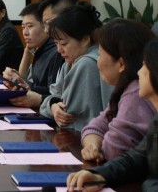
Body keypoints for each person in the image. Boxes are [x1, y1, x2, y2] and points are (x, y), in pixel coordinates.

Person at [67, 39, 158, 191]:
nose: (139, 72)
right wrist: (100, 175)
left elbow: (114, 150)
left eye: (145, 66)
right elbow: (136, 159)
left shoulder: (133, 94)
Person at [80, 19, 156, 162]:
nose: (97, 61)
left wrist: (98, 149)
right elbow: (96, 126)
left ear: (121, 64)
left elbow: (113, 151)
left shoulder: (136, 95)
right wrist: (92, 146)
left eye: (100, 54)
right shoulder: (128, 89)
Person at [39, 2, 113, 131]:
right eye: (56, 43)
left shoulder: (86, 63)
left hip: (85, 137)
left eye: (63, 43)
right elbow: (54, 96)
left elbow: (67, 113)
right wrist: (53, 106)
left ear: (85, 39)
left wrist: (53, 108)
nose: (59, 50)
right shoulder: (70, 62)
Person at [3, 1, 64, 108]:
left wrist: (20, 82)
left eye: (30, 26)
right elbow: (26, 79)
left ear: (45, 26)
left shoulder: (57, 52)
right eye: (23, 27)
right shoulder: (41, 48)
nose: (25, 32)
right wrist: (26, 51)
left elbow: (52, 92)